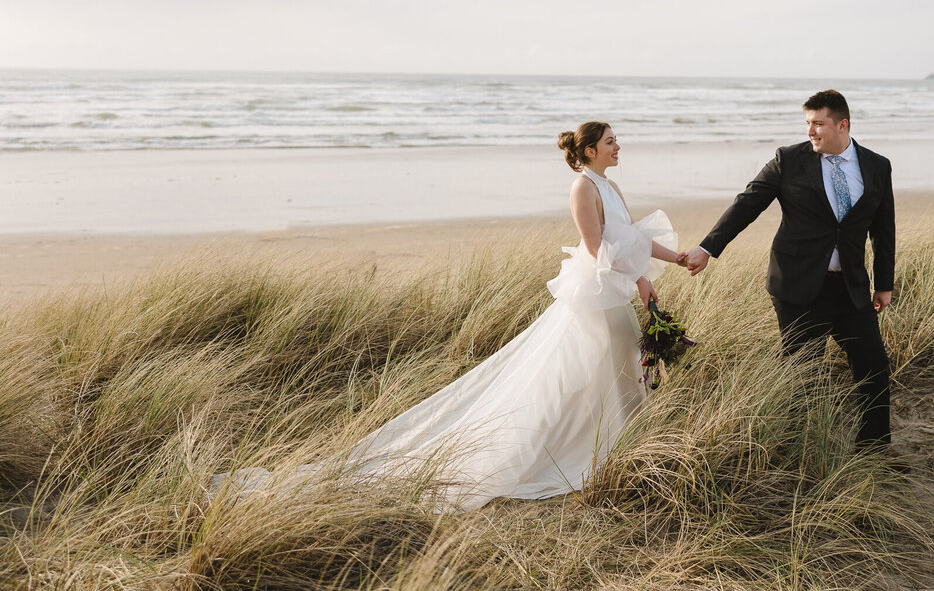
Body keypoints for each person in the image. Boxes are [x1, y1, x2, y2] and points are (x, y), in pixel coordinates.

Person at [212, 122, 685, 511]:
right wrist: (642, 280)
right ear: (587, 150)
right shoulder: (583, 187)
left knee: (616, 364)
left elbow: (633, 239)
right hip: (596, 295)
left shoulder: (611, 184)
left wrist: (676, 257)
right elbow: (597, 247)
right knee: (610, 360)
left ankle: (619, 446)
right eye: (610, 141)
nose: (618, 145)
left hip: (613, 291)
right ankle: (593, 451)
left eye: (615, 140)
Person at [684, 90, 895, 452]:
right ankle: (798, 449)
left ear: (842, 125)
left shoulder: (877, 165)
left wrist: (884, 283)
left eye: (818, 124)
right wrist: (707, 248)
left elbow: (883, 228)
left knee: (873, 365)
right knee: (803, 375)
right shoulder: (788, 160)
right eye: (807, 123)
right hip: (798, 286)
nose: (811, 131)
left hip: (850, 288)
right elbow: (747, 204)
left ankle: (874, 447)